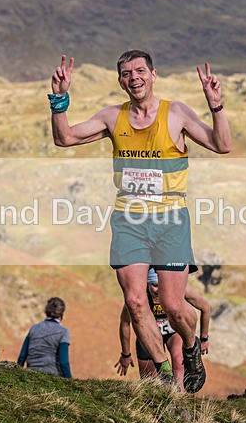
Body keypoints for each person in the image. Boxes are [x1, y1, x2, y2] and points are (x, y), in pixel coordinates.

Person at [49, 50, 231, 392]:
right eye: (126, 74)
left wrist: (215, 105)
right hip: (129, 220)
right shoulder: (111, 117)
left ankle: (191, 347)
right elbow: (65, 138)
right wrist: (59, 100)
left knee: (174, 306)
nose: (133, 78)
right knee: (135, 302)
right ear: (120, 81)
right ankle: (162, 376)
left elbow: (222, 145)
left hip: (170, 220)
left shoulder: (175, 113)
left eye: (139, 71)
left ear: (153, 74)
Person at [115, 268, 211, 388]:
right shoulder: (139, 296)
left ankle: (179, 398)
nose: (159, 289)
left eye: (162, 284)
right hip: (147, 337)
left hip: (172, 333)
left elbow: (205, 308)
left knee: (179, 364)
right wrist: (126, 354)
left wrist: (204, 339)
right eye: (154, 285)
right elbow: (125, 322)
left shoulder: (179, 288)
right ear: (146, 284)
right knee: (150, 385)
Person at [17, 297, 72, 378]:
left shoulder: (34, 328)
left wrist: (17, 375)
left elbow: (22, 356)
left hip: (30, 374)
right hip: (53, 377)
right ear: (61, 313)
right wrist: (70, 382)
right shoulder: (63, 332)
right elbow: (64, 363)